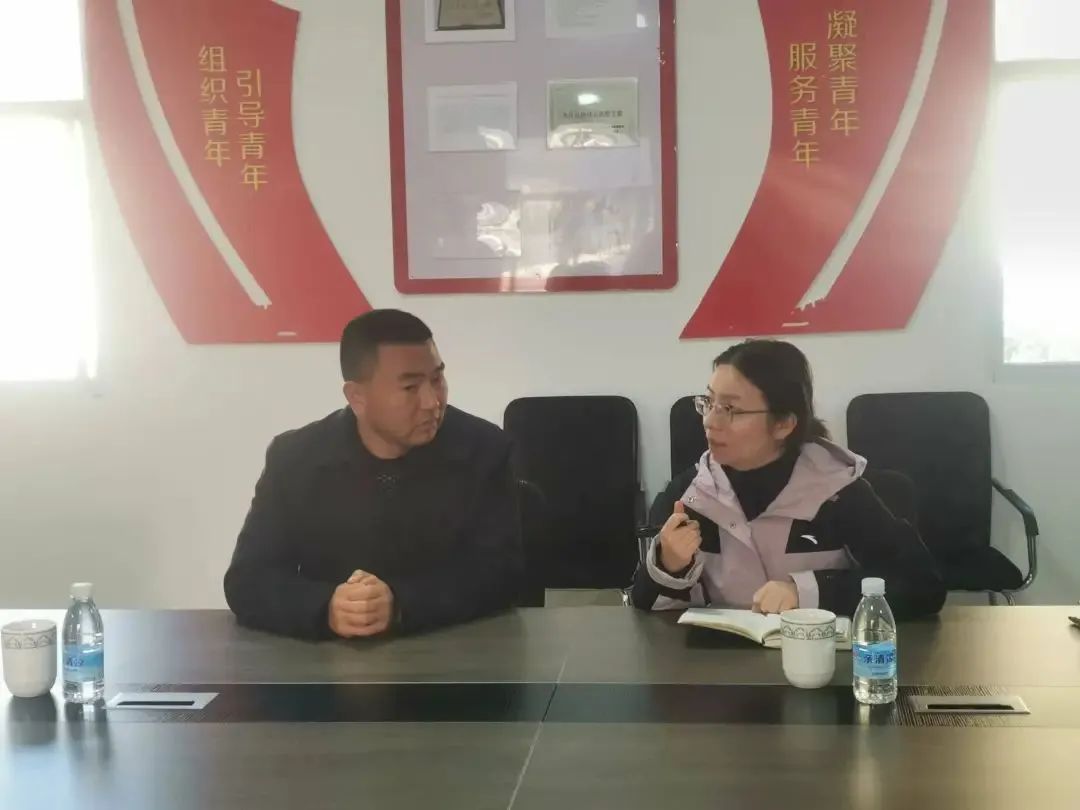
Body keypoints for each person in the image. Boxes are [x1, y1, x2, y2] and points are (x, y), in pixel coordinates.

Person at [224, 309, 522, 640]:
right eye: (410, 387)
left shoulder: (484, 450)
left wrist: (400, 603)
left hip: (456, 652)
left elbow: (501, 572)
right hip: (326, 659)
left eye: (437, 380)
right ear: (357, 397)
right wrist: (326, 607)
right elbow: (248, 579)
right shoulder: (295, 459)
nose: (432, 402)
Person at [630, 340, 945, 619]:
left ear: (783, 424)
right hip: (719, 664)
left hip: (817, 660)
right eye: (709, 403)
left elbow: (922, 585)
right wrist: (668, 564)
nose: (710, 421)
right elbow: (643, 605)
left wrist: (806, 592)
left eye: (730, 409)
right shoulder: (690, 494)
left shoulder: (836, 491)